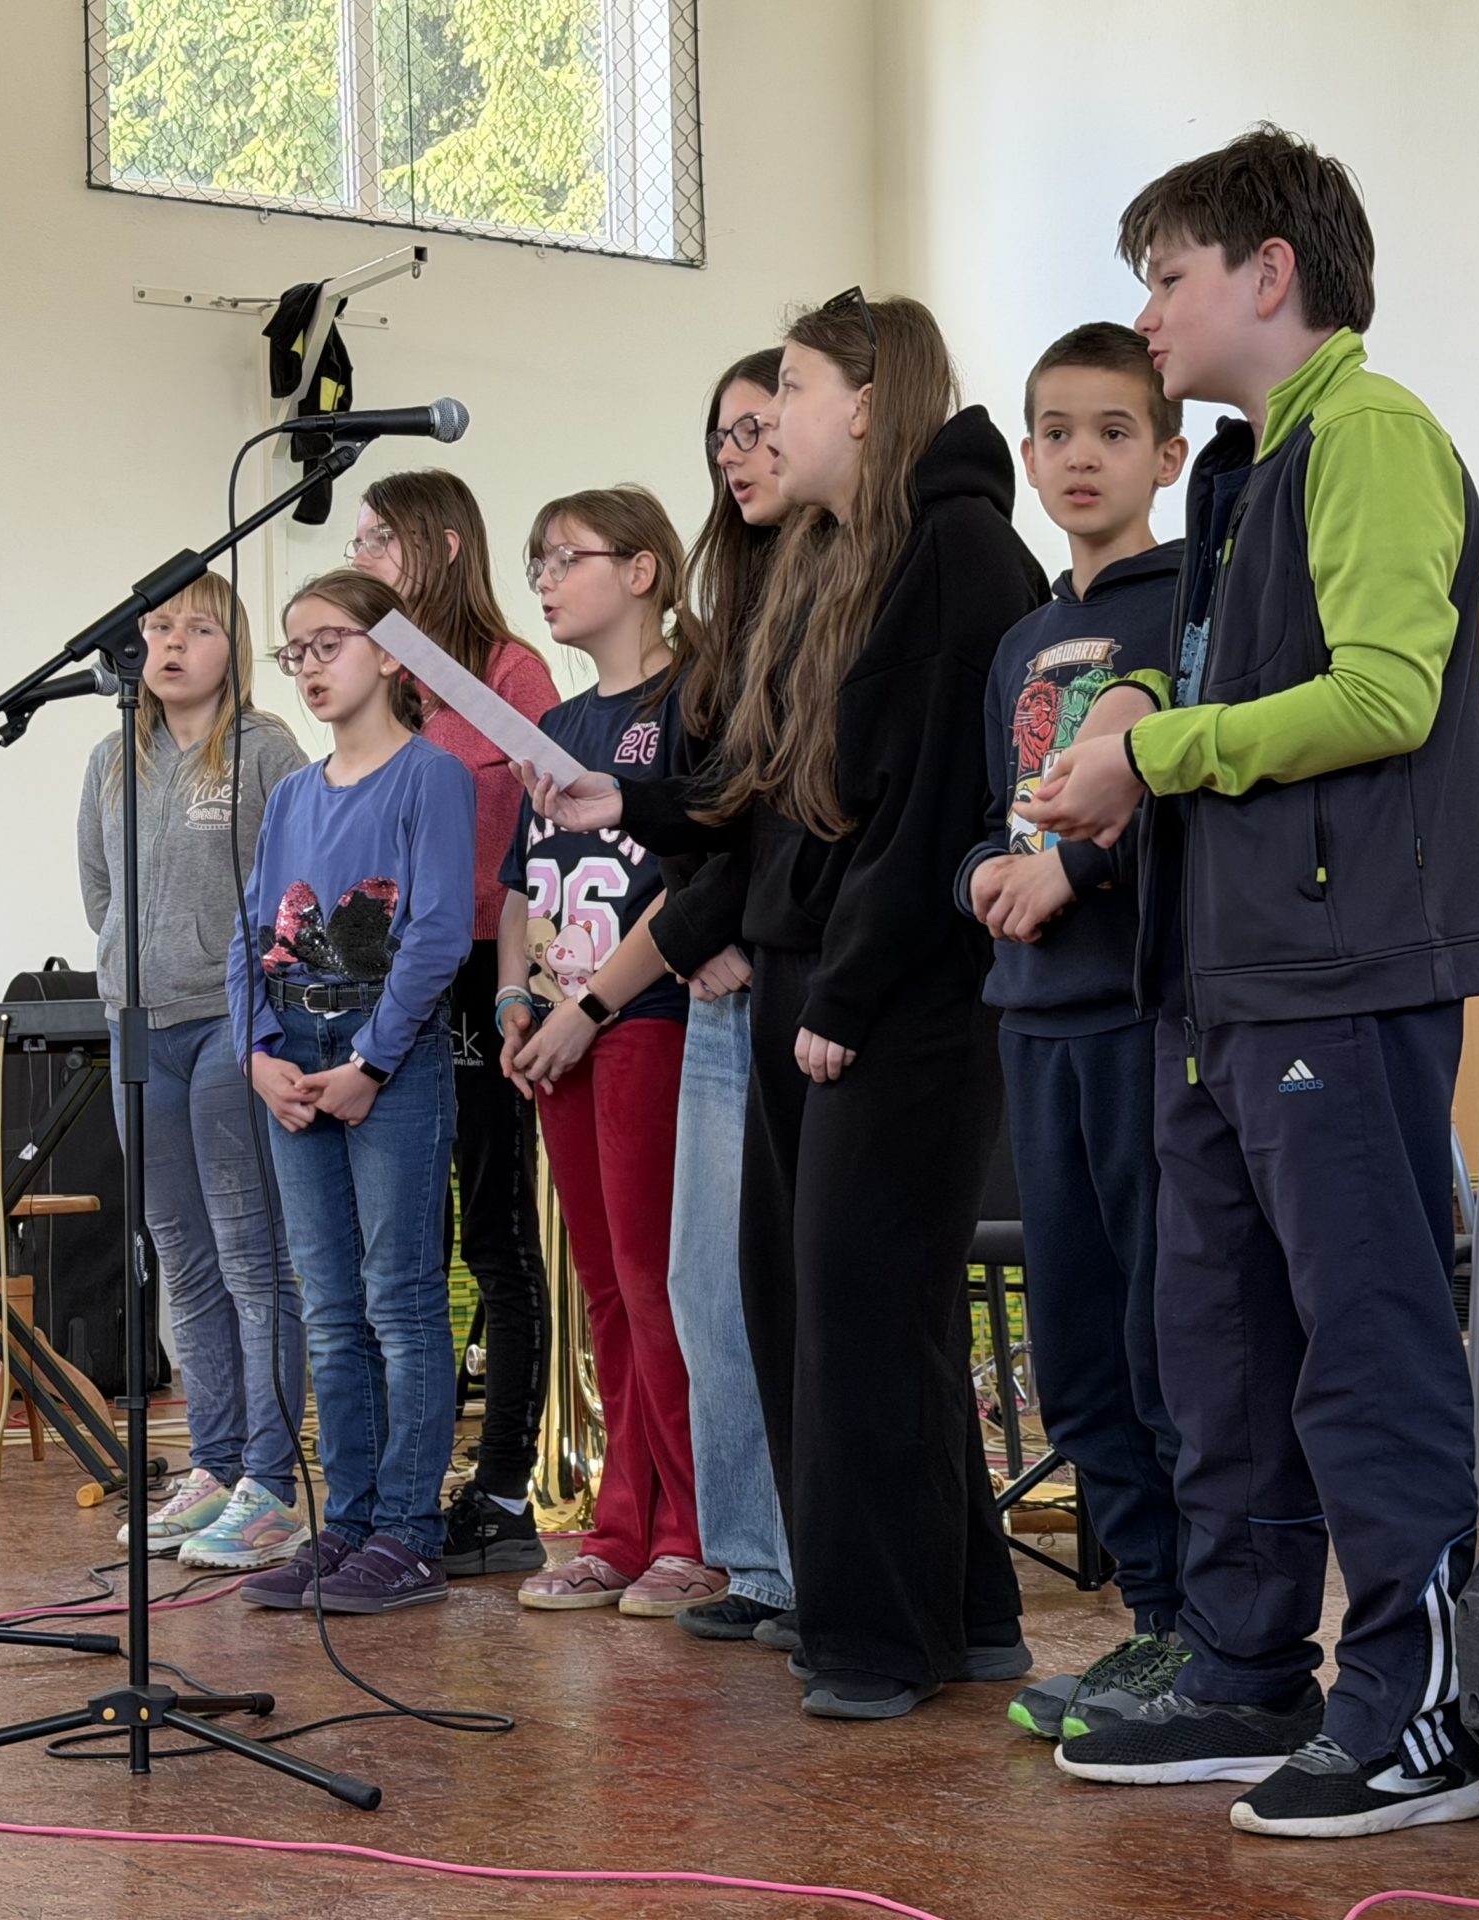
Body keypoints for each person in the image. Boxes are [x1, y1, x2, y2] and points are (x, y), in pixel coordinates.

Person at [1020, 126, 1479, 1837]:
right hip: (1221, 977)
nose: (1149, 314)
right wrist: (1140, 719)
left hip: (1339, 965)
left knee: (1364, 1341)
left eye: (1169, 277)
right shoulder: (1243, 473)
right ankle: (1245, 1666)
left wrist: (1158, 752)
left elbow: (1383, 694)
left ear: (1269, 272)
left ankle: (1415, 1715)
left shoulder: (1369, 436)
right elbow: (1239, 697)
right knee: (1218, 1341)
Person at [529, 292, 1047, 1718]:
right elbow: (768, 795)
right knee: (827, 1306)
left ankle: (875, 1639)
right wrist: (626, 800)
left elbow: (929, 808)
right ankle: (967, 1609)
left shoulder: (956, 551)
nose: (770, 419)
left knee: (855, 1316)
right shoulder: (836, 558)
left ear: (867, 406)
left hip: (892, 997)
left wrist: (852, 989)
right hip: (819, 984)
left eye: (796, 390)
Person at [952, 323, 1192, 1742]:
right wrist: (987, 872)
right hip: (1030, 1021)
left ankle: (1213, 1634)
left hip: (1140, 1019)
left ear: (1167, 454)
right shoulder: (1019, 645)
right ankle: (1149, 1623)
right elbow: (990, 811)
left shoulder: (1191, 611)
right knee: (1079, 1352)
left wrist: (1079, 871)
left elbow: (1191, 804)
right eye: (1056, 432)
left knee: (1169, 1343)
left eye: (1113, 430)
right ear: (1031, 459)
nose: (1081, 456)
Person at [228, 569, 474, 1615]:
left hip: (388, 1054)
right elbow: (250, 936)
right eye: (297, 652)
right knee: (329, 1307)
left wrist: (370, 1063)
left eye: (330, 643)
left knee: (400, 1299)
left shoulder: (431, 776)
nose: (310, 667)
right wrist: (256, 1054)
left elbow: (438, 933)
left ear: (389, 650)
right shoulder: (292, 794)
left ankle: (410, 1532)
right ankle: (352, 1522)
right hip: (295, 1050)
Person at [494, 485, 718, 1617]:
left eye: (564, 557)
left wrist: (590, 1005)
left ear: (641, 571)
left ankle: (692, 1532)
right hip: (558, 1032)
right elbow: (520, 885)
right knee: (602, 1288)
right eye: (535, 560)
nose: (543, 579)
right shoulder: (562, 727)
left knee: (654, 1280)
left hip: (645, 1017)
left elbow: (694, 875)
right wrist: (514, 999)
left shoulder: (694, 698)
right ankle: (620, 1525)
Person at [347, 470, 561, 1576]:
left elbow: (543, 839)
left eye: (378, 538)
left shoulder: (507, 673)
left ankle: (505, 1490)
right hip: (391, 980)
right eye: (356, 539)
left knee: (494, 1236)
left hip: (486, 969)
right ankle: (402, 1485)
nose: (362, 553)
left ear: (440, 544)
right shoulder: (379, 678)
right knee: (401, 1248)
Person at [76, 574, 309, 1572]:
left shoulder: (263, 750)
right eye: (158, 626)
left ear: (234, 647)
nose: (173, 644)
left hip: (230, 1022)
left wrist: (238, 993)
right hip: (138, 1026)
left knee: (253, 1255)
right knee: (181, 1252)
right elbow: (99, 892)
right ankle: (211, 1467)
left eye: (198, 627)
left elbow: (293, 896)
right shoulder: (110, 757)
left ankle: (271, 1484)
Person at [655, 350, 798, 1644]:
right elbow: (701, 813)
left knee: (781, 1289)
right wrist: (695, 927)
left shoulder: (842, 593)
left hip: (783, 969)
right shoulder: (724, 620)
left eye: (759, 427)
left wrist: (714, 926)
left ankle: (805, 1564)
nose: (737, 454)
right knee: (704, 1288)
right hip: (714, 978)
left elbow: (789, 823)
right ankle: (753, 1560)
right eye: (721, 437)